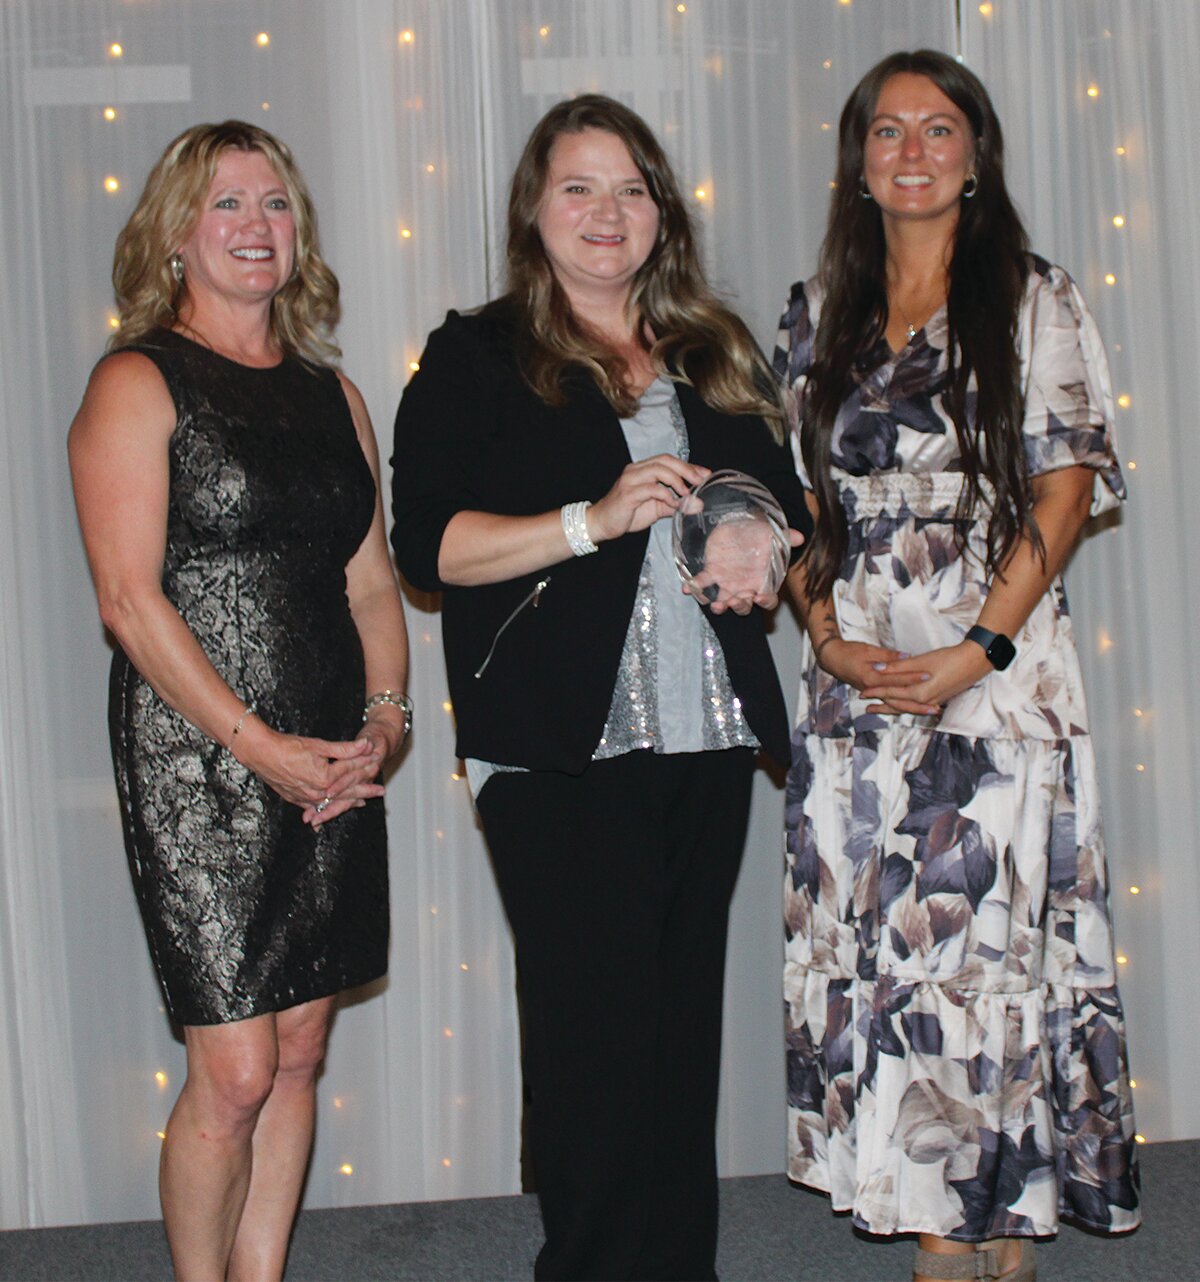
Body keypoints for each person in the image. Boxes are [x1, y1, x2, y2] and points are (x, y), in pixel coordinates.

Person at [391, 93, 810, 1282]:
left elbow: (786, 497)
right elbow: (429, 546)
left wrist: (758, 532)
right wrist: (592, 519)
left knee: (677, 1041)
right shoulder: (475, 353)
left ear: (660, 212)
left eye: (630, 187)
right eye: (578, 186)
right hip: (558, 749)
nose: (606, 212)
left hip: (705, 736)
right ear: (535, 209)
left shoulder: (712, 344)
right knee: (595, 1046)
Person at [775, 50, 1141, 1282]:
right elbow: (794, 508)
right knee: (882, 960)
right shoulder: (810, 314)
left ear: (976, 158)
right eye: (890, 131)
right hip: (854, 691)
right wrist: (824, 637)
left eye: (940, 130)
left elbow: (1066, 483)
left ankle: (960, 1233)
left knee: (979, 953)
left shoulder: (1037, 301)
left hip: (992, 682)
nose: (914, 151)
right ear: (858, 160)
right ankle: (963, 1224)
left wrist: (975, 648)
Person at [68, 121, 410, 1281]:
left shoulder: (336, 397)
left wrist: (385, 725)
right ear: (176, 235)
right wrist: (257, 745)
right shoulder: (136, 379)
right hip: (199, 758)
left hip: (331, 756)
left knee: (303, 1050)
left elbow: (371, 586)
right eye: (226, 205)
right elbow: (128, 599)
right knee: (236, 1070)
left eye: (273, 204)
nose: (255, 225)